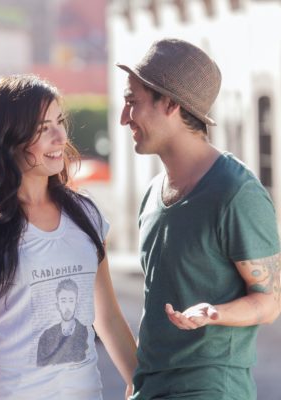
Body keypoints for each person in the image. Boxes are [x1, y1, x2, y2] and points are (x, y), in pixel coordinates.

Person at [0, 74, 137, 400]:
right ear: (9, 136)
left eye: (60, 122)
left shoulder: (87, 214)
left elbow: (107, 316)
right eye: (43, 127)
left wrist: (143, 383)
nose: (60, 137)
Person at [117, 38, 281, 399]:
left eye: (132, 102)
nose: (124, 117)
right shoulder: (152, 193)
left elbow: (270, 302)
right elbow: (157, 302)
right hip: (150, 387)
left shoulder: (236, 192)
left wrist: (214, 313)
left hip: (210, 389)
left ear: (170, 103)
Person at [36, 278, 88, 366]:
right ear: (57, 305)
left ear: (76, 304)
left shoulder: (85, 332)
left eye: (71, 301)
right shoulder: (46, 336)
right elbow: (40, 367)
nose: (67, 307)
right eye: (63, 301)